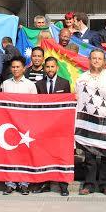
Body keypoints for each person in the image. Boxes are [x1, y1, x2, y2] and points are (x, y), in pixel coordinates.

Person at [76, 48, 106, 196]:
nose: (96, 61)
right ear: (89, 60)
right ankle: (89, 184)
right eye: (94, 58)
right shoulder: (82, 77)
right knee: (90, 154)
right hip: (89, 120)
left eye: (99, 58)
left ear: (104, 61)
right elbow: (80, 97)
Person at [34, 56, 71, 195]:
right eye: (48, 67)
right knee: (44, 156)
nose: (50, 69)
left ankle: (63, 185)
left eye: (52, 66)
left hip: (60, 126)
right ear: (44, 68)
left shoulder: (64, 83)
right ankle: (44, 183)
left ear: (57, 67)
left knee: (61, 156)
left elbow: (67, 105)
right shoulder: (39, 84)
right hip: (43, 127)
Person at [0, 57, 37, 195]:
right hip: (9, 123)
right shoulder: (5, 84)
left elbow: (35, 105)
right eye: (13, 67)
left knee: (24, 154)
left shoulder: (30, 85)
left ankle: (24, 183)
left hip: (25, 124)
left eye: (18, 67)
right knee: (9, 153)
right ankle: (10, 183)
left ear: (24, 68)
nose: (15, 69)